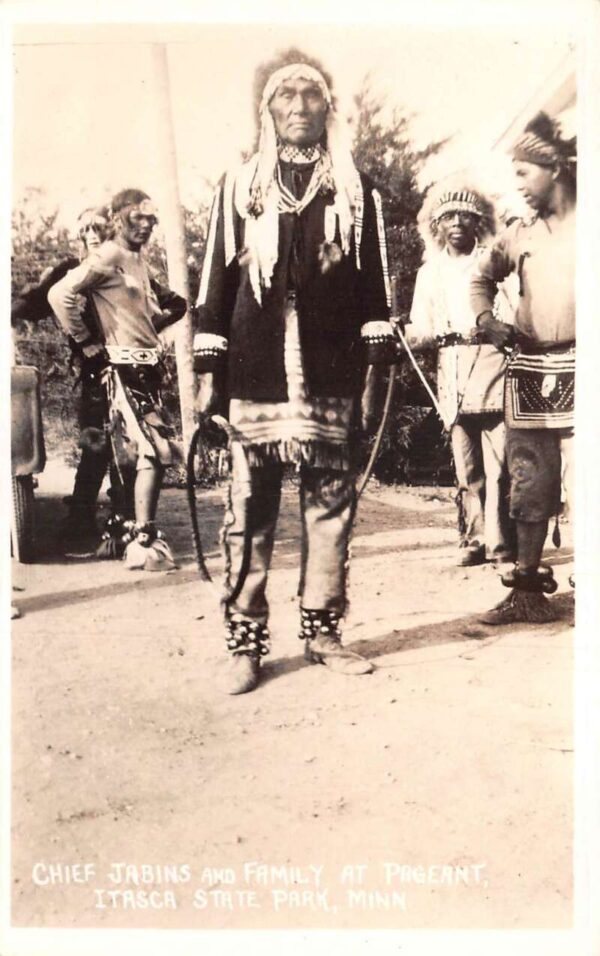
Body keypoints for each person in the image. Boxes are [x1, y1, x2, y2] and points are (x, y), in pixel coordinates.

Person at [193, 49, 397, 694]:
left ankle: (323, 631)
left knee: (330, 508)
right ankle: (244, 642)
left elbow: (375, 292)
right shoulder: (240, 185)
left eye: (312, 96)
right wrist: (208, 375)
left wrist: (373, 376)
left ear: (328, 107)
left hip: (332, 375)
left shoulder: (355, 188)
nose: (300, 108)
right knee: (249, 509)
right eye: (288, 97)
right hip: (254, 377)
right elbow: (217, 284)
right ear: (268, 109)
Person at [470, 112, 576, 624]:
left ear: (554, 167)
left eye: (523, 174)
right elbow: (479, 280)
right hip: (533, 366)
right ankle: (527, 590)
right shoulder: (518, 233)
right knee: (529, 478)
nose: (517, 186)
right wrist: (487, 319)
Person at [48, 188, 187, 570]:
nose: (145, 226)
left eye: (151, 220)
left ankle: (129, 538)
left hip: (146, 367)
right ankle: (144, 540)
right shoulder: (107, 254)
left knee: (136, 457)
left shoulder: (136, 258)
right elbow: (60, 295)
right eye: (136, 218)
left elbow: (160, 306)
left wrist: (148, 325)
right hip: (123, 368)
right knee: (153, 451)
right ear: (119, 218)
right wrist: (86, 341)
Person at [407, 181, 514, 567]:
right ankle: (473, 539)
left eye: (464, 216)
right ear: (437, 224)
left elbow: (513, 311)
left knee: (499, 465)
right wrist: (399, 333)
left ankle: (502, 545)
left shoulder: (493, 262)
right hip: (450, 370)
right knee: (467, 467)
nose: (456, 223)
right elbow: (421, 327)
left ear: (476, 222)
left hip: (491, 364)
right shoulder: (429, 273)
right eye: (448, 216)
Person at [11, 206, 113, 553]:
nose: (93, 234)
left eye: (100, 226)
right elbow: (28, 305)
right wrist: (83, 339)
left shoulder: (126, 267)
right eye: (86, 229)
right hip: (93, 370)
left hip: (134, 367)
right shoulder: (70, 272)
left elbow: (170, 304)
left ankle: (129, 522)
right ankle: (81, 522)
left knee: (133, 450)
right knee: (95, 445)